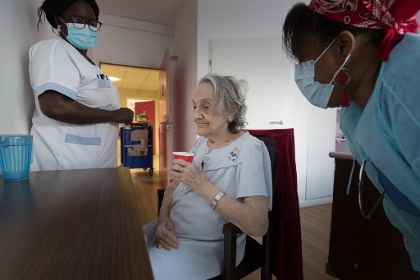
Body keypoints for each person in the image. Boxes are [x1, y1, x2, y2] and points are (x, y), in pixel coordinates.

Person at [282, 0, 420, 273]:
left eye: (305, 61)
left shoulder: (408, 82)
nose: (303, 75)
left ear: (343, 47)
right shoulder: (355, 113)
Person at [143, 73, 273, 279]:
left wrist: (202, 185)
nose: (195, 115)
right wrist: (162, 219)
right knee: (120, 251)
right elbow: (173, 187)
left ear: (232, 111)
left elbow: (258, 224)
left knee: (137, 271)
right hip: (171, 230)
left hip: (207, 246)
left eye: (206, 106)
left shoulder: (250, 149)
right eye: (194, 106)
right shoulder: (201, 143)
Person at [29, 0, 134, 171]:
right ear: (58, 21)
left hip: (87, 163)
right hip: (65, 164)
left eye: (92, 23)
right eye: (77, 20)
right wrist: (114, 115)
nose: (86, 27)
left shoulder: (84, 61)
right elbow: (54, 106)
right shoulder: (55, 49)